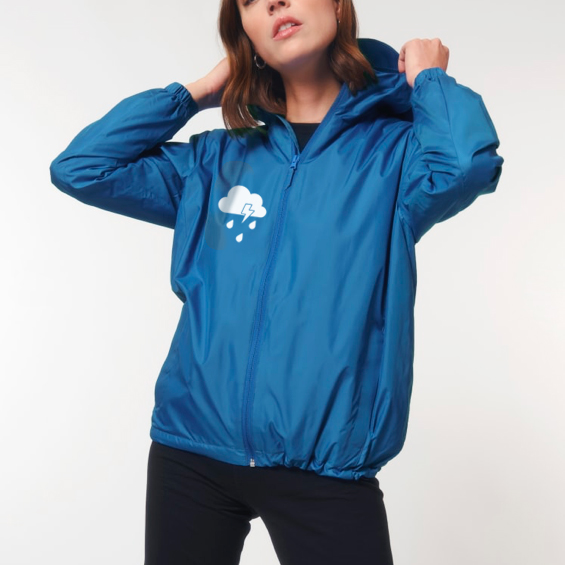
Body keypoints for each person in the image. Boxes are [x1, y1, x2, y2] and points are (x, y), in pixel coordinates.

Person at [49, 0, 504, 563]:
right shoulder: (215, 161)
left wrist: (429, 80)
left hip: (325, 466)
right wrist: (193, 94)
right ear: (245, 32)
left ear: (336, 4)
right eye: (248, 1)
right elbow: (82, 168)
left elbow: (467, 166)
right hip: (191, 453)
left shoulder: (396, 156)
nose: (273, 2)